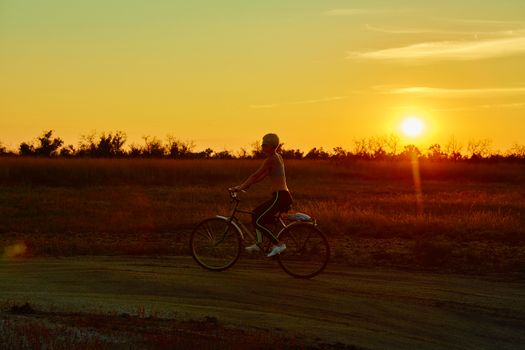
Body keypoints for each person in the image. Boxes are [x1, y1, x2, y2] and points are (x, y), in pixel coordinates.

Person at [229, 133, 293, 257]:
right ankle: (258, 244)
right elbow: (261, 177)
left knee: (258, 221)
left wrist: (239, 187)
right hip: (280, 197)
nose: (262, 146)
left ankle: (278, 245)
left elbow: (255, 175)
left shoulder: (271, 159)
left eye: (264, 144)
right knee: (255, 215)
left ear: (272, 146)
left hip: (280, 197)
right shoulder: (277, 157)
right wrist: (245, 186)